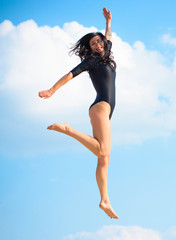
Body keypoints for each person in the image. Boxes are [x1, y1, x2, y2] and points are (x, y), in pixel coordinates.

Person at [38, 7, 119, 219]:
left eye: (99, 42)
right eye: (94, 44)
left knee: (104, 158)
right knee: (103, 153)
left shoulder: (106, 54)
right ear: (90, 49)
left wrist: (108, 23)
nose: (98, 44)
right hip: (101, 106)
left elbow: (108, 37)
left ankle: (104, 200)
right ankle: (68, 129)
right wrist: (52, 90)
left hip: (106, 110)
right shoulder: (91, 61)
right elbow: (70, 74)